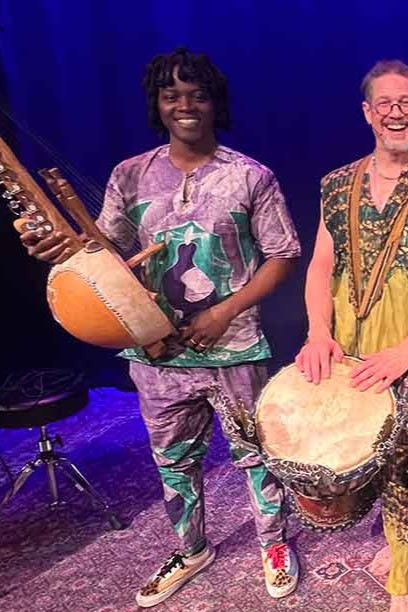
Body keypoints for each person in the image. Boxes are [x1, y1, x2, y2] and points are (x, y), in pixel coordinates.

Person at [20, 48, 301, 607]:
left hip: (234, 348)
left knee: (257, 454)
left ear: (215, 103)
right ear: (157, 104)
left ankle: (274, 543)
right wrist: (55, 249)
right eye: (172, 95)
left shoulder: (250, 176)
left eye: (197, 94)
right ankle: (191, 548)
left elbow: (283, 255)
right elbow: (102, 255)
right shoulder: (129, 176)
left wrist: (223, 311)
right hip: (155, 350)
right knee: (173, 460)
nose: (185, 105)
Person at [295, 59, 408, 612]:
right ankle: (396, 543)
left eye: (405, 103)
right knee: (353, 447)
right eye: (385, 104)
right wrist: (317, 332)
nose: (396, 113)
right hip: (347, 347)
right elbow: (321, 265)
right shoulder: (335, 185)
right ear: (368, 113)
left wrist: (405, 351)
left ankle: (406, 580)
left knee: (404, 460)